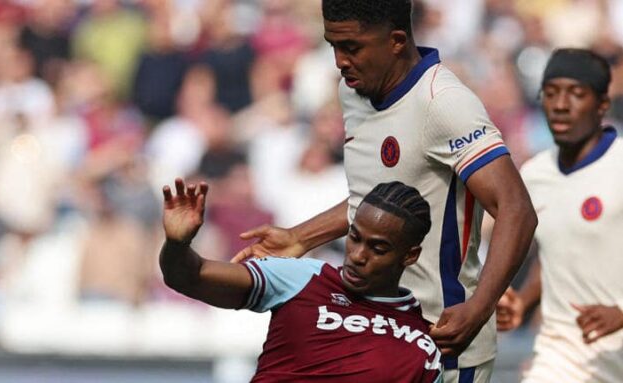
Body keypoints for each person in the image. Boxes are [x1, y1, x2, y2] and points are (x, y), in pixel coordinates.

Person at [230, 1, 538, 381]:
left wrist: (478, 306)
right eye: (333, 46)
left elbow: (516, 208)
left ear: (395, 40)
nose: (340, 61)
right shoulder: (352, 93)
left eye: (352, 47)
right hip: (372, 336)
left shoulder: (442, 103)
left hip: (441, 341)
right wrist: (300, 236)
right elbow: (375, 197)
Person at [160, 178, 443, 382]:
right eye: (354, 238)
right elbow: (189, 277)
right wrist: (177, 244)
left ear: (410, 256)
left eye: (378, 249)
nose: (357, 255)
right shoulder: (302, 277)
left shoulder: (425, 343)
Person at [496, 48, 623, 382]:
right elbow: (557, 251)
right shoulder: (536, 174)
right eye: (550, 94)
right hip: (562, 358)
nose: (560, 105)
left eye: (576, 94)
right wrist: (523, 301)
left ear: (602, 105)